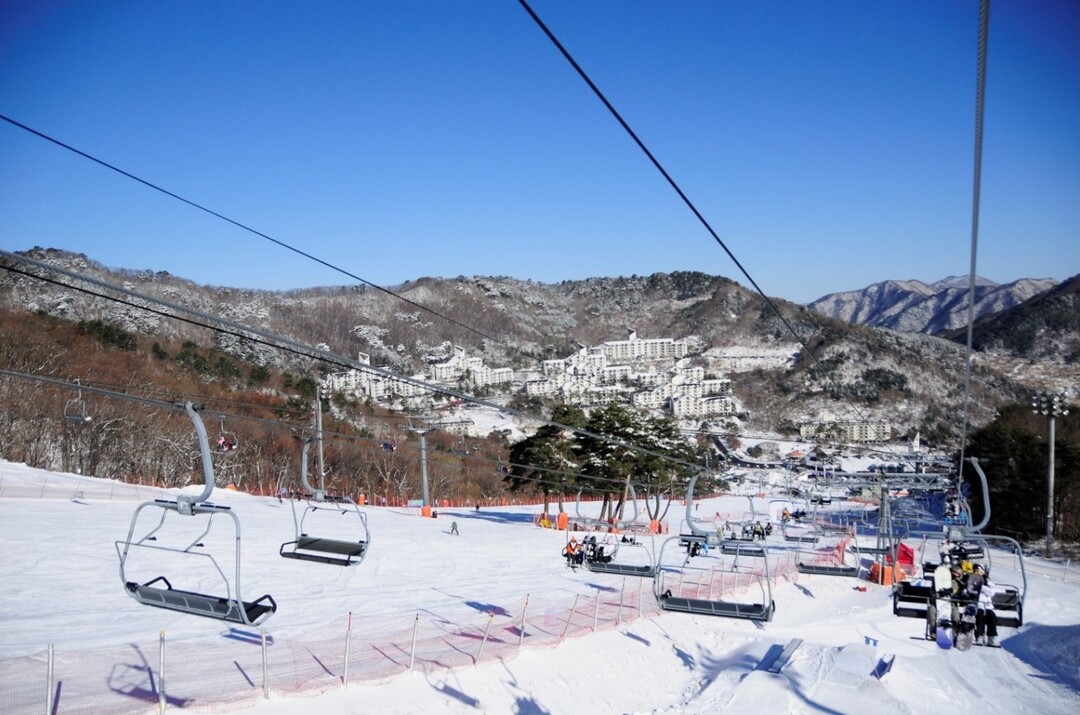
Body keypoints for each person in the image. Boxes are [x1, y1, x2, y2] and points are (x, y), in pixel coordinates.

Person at [973, 564, 999, 646]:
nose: (978, 573)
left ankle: (992, 637)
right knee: (979, 616)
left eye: (980, 572)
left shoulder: (988, 582)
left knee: (992, 616)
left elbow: (991, 593)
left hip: (987, 606)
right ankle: (979, 636)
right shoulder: (971, 579)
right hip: (977, 605)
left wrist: (981, 587)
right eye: (976, 572)